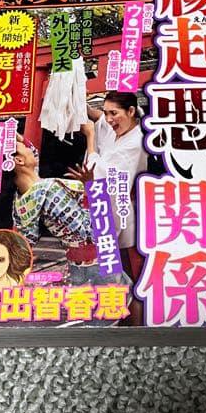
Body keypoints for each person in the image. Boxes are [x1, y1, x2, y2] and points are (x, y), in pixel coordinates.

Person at [10, 137, 126, 288]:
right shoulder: (50, 191)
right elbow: (87, 231)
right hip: (98, 263)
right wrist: (90, 188)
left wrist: (19, 139)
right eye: (24, 147)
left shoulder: (22, 198)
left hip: (80, 263)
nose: (30, 149)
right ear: (19, 160)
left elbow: (32, 153)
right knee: (124, 296)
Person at [68, 91, 148, 282]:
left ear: (131, 111)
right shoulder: (119, 125)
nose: (109, 119)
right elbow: (99, 119)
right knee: (113, 268)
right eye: (106, 112)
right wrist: (81, 103)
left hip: (121, 205)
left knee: (124, 268)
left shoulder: (136, 141)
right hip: (107, 204)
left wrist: (90, 136)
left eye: (113, 113)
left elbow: (98, 173)